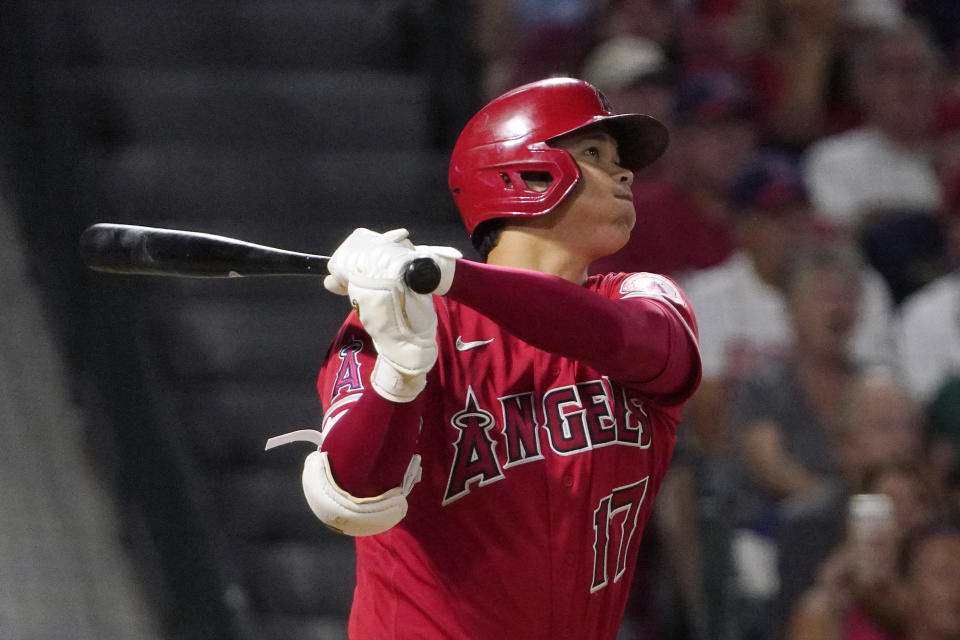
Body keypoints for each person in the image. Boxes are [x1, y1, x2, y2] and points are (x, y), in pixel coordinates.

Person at [268, 77, 702, 639]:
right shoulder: (406, 319)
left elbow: (628, 339)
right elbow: (352, 496)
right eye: (593, 154)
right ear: (519, 173)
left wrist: (451, 276)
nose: (624, 175)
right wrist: (399, 372)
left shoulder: (638, 297)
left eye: (620, 161)